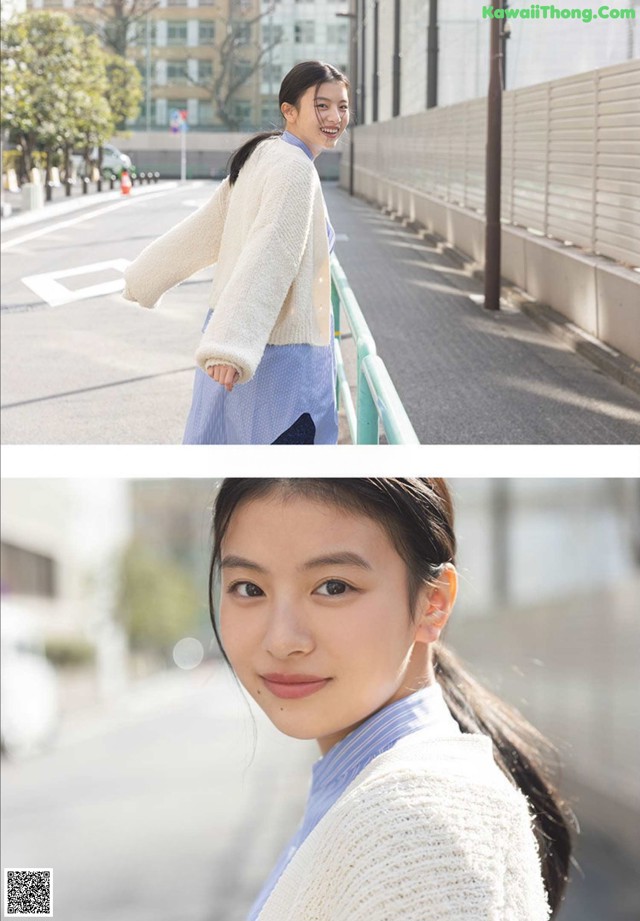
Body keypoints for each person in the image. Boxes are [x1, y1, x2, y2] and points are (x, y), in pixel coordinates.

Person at [209, 478, 574, 921]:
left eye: (334, 586)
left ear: (433, 604)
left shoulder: (418, 823)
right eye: (249, 588)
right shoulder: (375, 797)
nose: (282, 640)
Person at [122, 61, 349, 445]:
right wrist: (230, 347)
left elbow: (206, 228)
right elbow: (270, 254)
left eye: (342, 107)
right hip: (273, 359)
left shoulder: (263, 154)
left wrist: (144, 276)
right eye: (322, 105)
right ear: (289, 112)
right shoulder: (295, 169)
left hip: (235, 341)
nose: (335, 117)